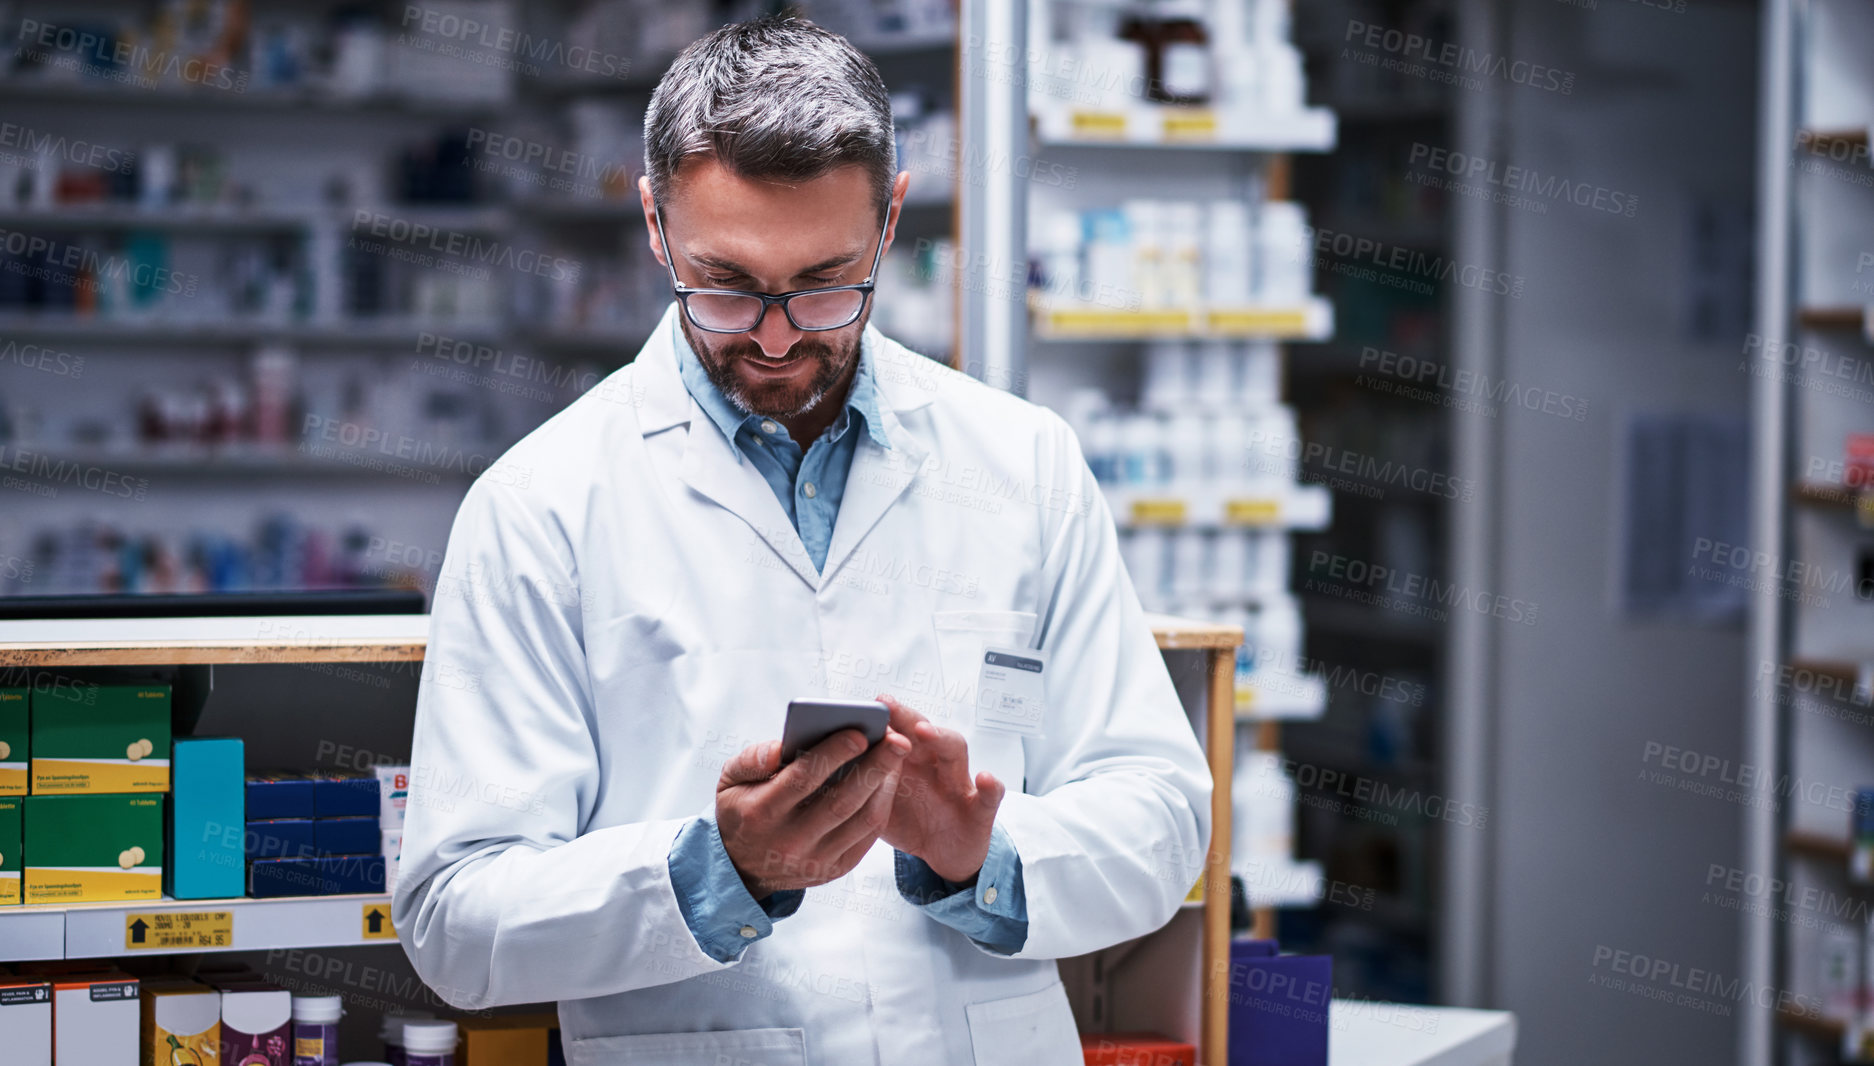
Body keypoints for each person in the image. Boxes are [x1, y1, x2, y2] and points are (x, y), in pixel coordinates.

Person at [393, 15, 1211, 1066]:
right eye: (726, 284)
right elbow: (455, 919)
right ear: (654, 224)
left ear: (890, 221)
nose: (776, 336)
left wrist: (981, 856)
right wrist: (714, 869)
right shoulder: (542, 504)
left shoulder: (1021, 463)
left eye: (825, 281)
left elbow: (1158, 817)